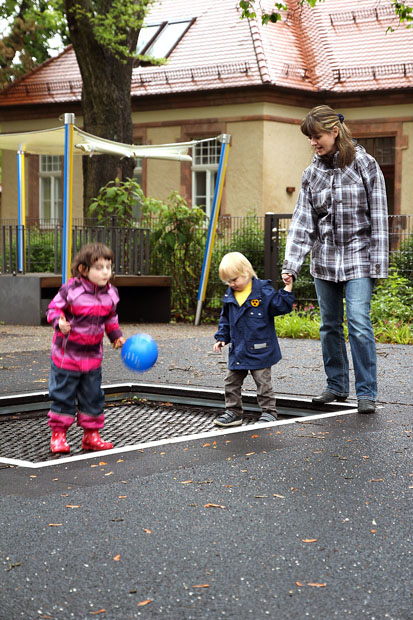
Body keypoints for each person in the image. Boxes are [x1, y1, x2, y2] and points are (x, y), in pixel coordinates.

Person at [282, 105, 388, 414]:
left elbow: (379, 217)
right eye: (310, 139)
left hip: (359, 259)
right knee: (329, 325)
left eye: (317, 137)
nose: (313, 143)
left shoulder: (365, 166)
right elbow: (303, 221)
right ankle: (336, 386)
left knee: (358, 322)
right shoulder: (311, 173)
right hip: (325, 261)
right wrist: (292, 265)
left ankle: (366, 392)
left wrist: (378, 266)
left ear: (334, 132)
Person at [46, 242, 125, 453]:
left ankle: (91, 436)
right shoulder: (71, 290)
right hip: (67, 357)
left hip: (92, 358)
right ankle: (58, 436)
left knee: (93, 396)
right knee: (63, 395)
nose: (105, 272)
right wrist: (59, 322)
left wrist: (115, 336)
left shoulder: (111, 294)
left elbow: (111, 319)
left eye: (108, 267)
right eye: (99, 268)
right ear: (84, 269)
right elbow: (53, 309)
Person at [213, 252, 294, 427]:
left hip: (261, 349)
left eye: (234, 279)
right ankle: (234, 412)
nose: (231, 284)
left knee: (263, 382)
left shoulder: (263, 291)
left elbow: (280, 306)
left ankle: (269, 412)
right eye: (227, 281)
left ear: (247, 272)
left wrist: (288, 288)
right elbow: (225, 318)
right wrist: (222, 337)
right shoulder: (230, 296)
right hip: (239, 349)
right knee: (231, 381)